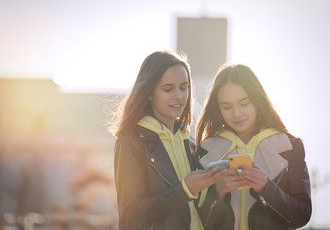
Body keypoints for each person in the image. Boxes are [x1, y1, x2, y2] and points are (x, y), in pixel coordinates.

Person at [108, 50, 225, 230]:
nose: (178, 96)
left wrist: (220, 192)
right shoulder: (130, 143)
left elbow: (198, 212)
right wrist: (183, 190)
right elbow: (130, 216)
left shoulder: (191, 143)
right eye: (168, 89)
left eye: (184, 87)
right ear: (148, 92)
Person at [195, 64, 312, 230]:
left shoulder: (290, 146)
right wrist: (219, 193)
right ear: (218, 108)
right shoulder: (205, 150)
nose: (236, 113)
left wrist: (266, 188)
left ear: (257, 101)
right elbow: (196, 221)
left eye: (244, 103)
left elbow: (302, 215)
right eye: (227, 107)